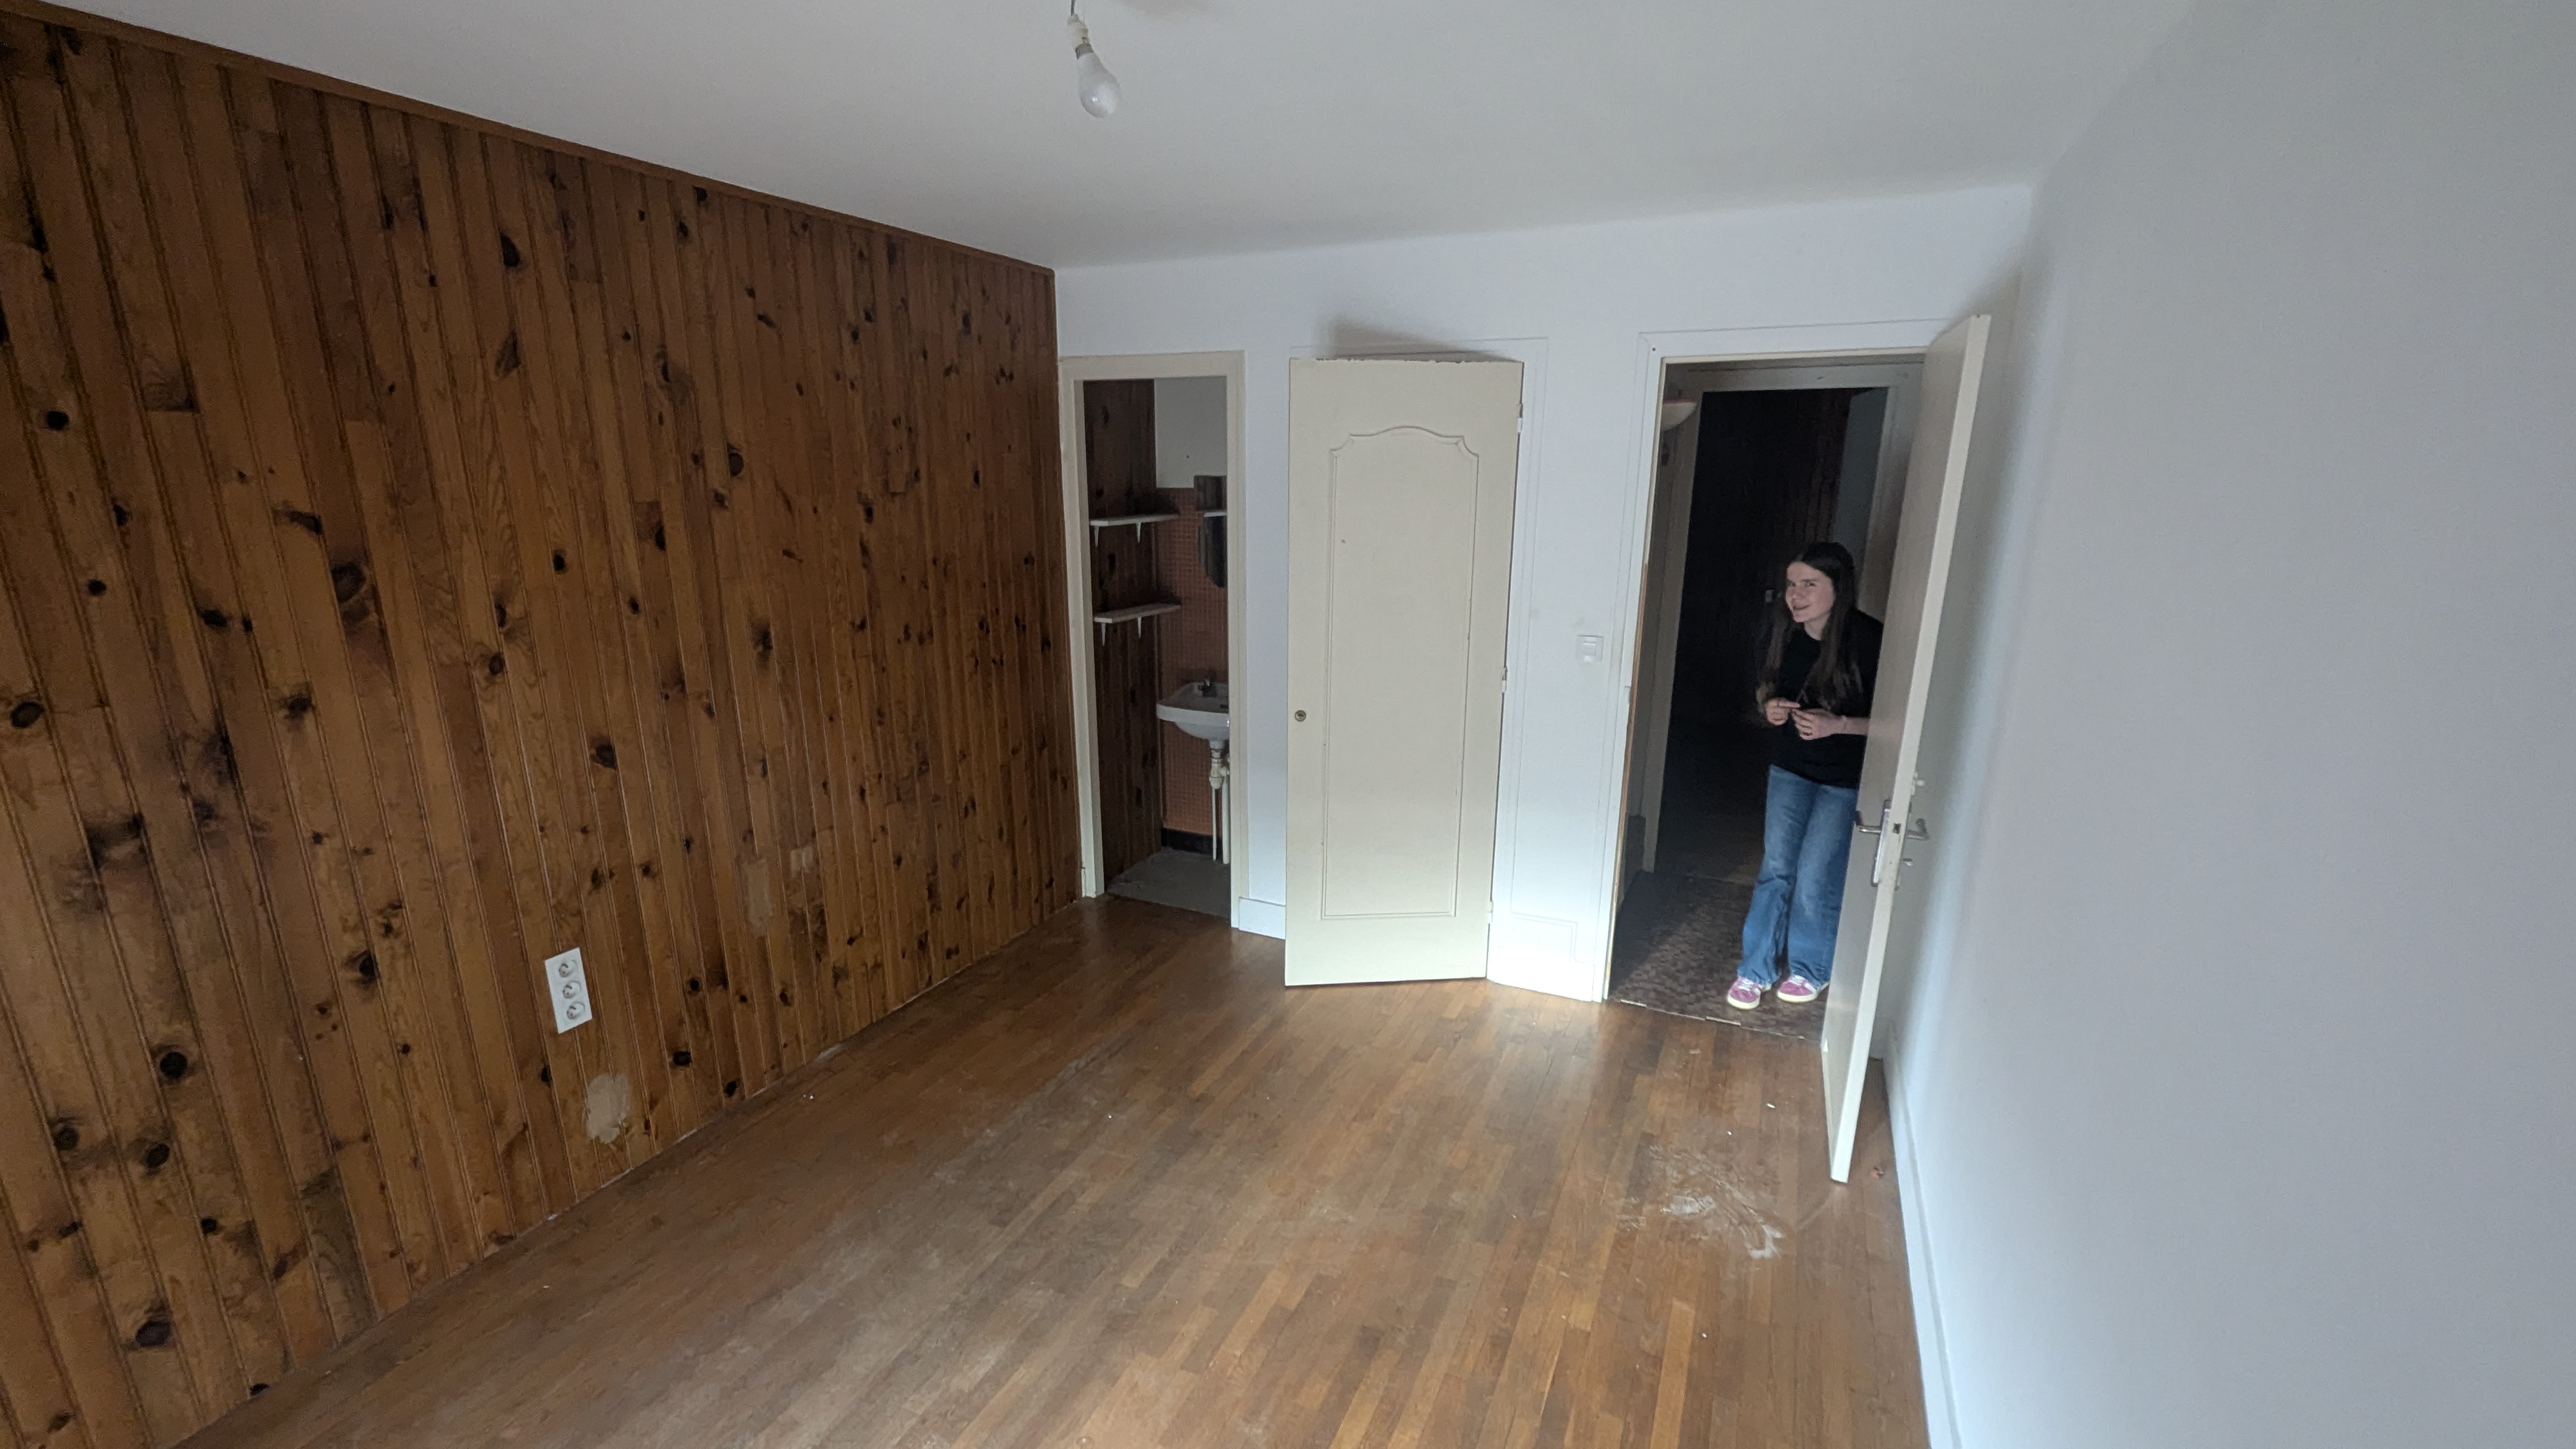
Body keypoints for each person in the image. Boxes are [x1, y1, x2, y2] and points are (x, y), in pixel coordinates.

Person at [1728, 542, 1882, 1011]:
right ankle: (1754, 970)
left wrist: (1841, 725)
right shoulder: (1783, 634)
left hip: (1843, 779)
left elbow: (1897, 722)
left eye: (1809, 585)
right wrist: (1770, 709)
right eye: (1792, 584)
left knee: (1816, 875)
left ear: (1839, 589)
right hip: (1790, 769)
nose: (1795, 595)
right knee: (1777, 868)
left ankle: (1810, 969)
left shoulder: (1870, 640)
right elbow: (1767, 691)